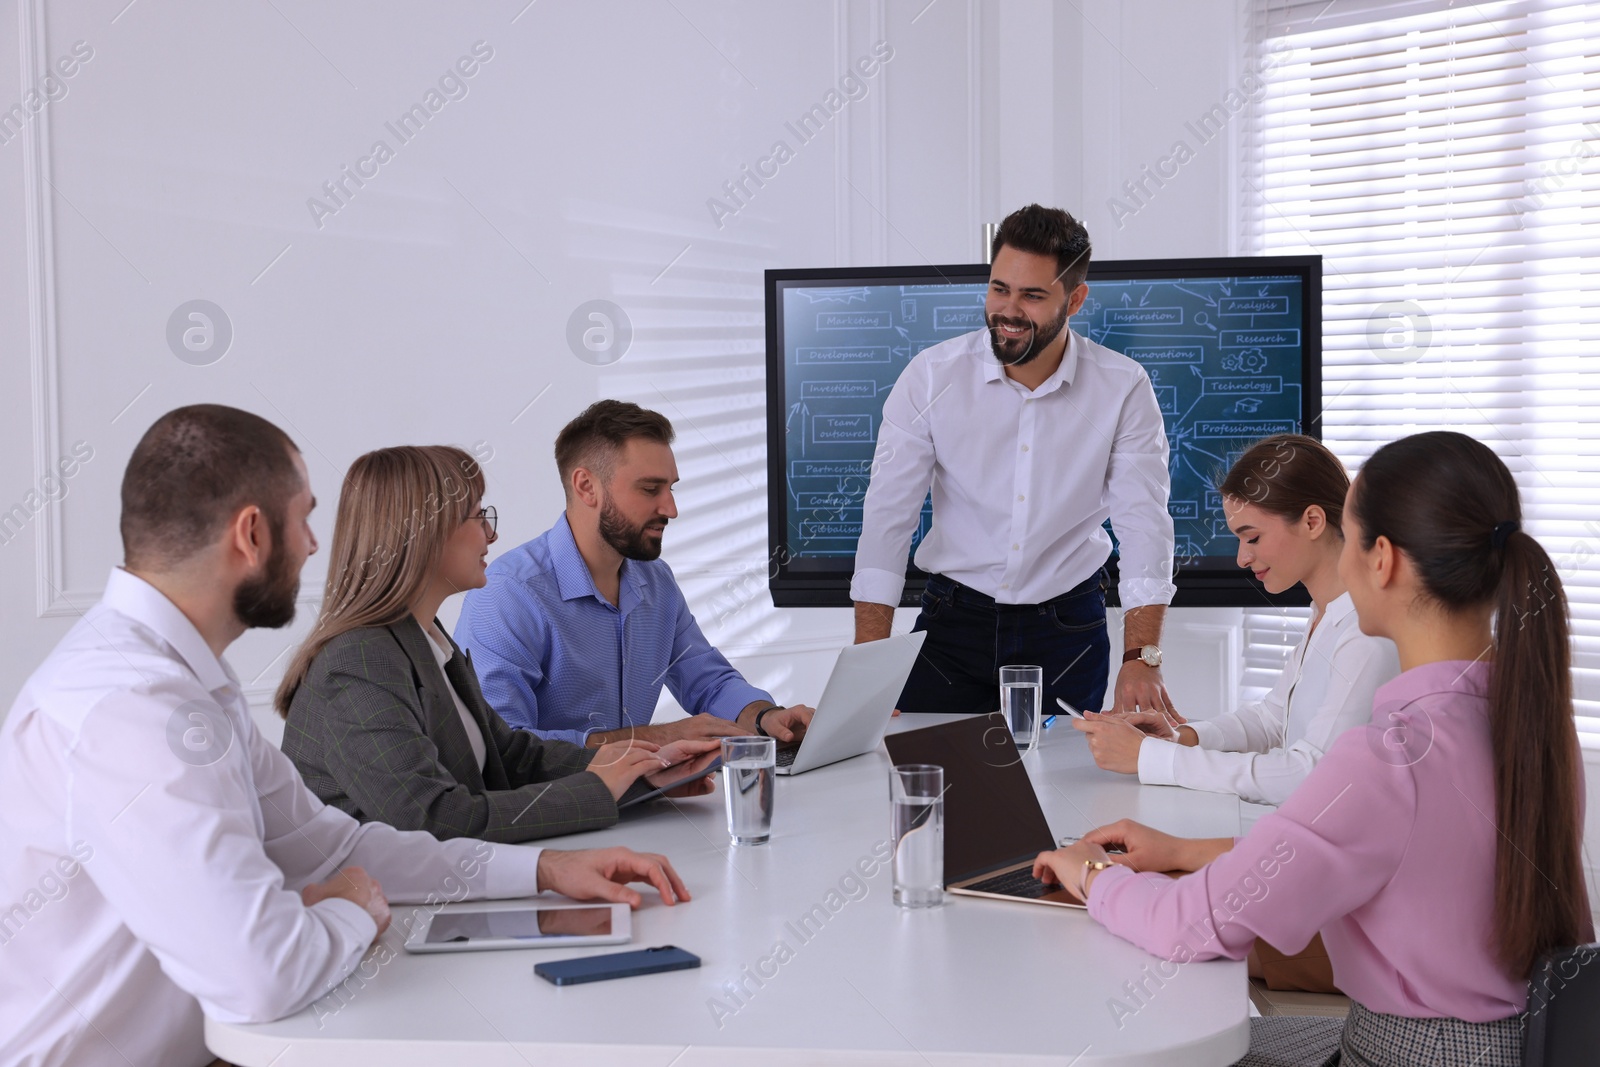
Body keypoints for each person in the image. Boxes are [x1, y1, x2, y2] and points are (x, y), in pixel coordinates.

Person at [0, 406, 691, 1067]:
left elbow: (337, 844)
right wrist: (353, 909)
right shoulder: (133, 709)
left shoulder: (187, 686)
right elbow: (264, 973)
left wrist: (545, 872)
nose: (310, 544)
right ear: (250, 533)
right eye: (303, 518)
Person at [1035, 431, 1590, 1066]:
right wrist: (1185, 849)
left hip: (1408, 1052)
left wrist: (1091, 873)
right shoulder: (1536, 729)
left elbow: (1190, 924)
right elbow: (1387, 854)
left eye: (1349, 541)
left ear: (1381, 560)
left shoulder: (1388, 757)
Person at [278, 445, 721, 844]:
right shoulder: (358, 662)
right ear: (425, 535)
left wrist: (644, 774)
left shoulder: (424, 640)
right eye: (477, 516)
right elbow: (435, 820)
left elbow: (510, 757)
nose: (491, 535)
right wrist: (598, 790)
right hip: (381, 917)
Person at [851, 203, 1177, 719]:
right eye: (999, 288)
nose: (1008, 310)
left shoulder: (1123, 386)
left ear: (1074, 300)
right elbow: (889, 515)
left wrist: (1142, 656)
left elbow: (1144, 524)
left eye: (1032, 295)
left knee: (1067, 792)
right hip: (950, 627)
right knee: (930, 784)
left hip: (1069, 631)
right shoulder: (931, 377)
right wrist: (869, 657)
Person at [456, 400, 815, 748]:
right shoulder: (507, 595)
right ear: (586, 487)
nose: (670, 509)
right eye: (649, 489)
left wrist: (763, 716)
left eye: (670, 488)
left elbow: (708, 682)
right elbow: (501, 748)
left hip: (643, 803)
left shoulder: (656, 582)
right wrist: (656, 738)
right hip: (558, 808)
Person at [1074, 434, 1400, 807]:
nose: (1242, 559)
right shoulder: (1326, 615)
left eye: (1254, 538)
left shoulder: (1365, 631)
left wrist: (1153, 759)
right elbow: (1272, 721)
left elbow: (1313, 775)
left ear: (1312, 521)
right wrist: (1180, 737)